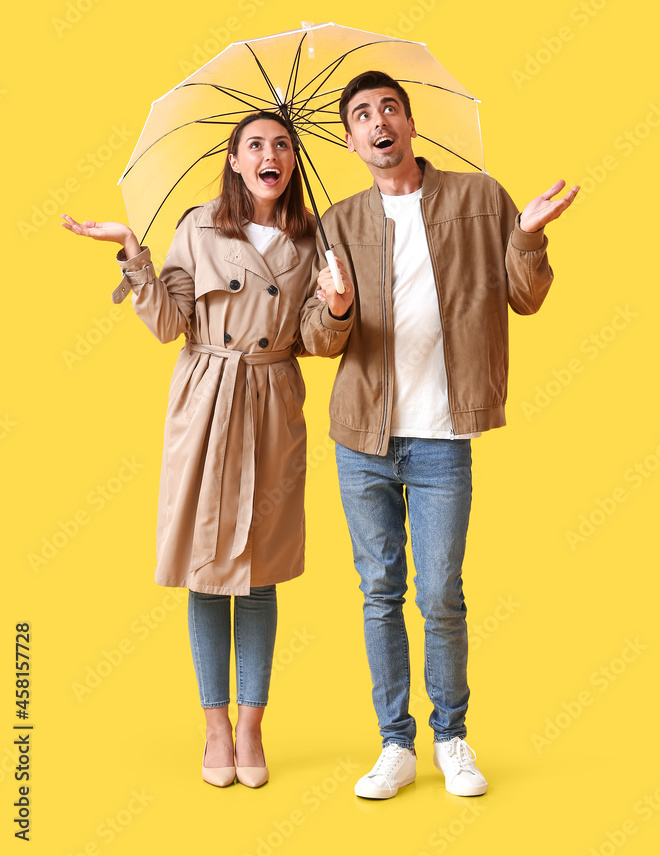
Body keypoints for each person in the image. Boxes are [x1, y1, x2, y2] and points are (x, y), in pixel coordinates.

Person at [300, 70, 579, 800]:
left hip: (440, 437)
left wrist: (525, 236)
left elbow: (526, 297)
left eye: (388, 107)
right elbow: (316, 340)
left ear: (410, 122)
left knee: (441, 594)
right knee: (378, 591)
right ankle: (395, 745)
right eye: (361, 114)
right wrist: (331, 308)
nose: (377, 121)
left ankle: (451, 736)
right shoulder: (337, 221)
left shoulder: (478, 198)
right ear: (351, 138)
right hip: (361, 437)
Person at [61, 110, 353, 790]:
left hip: (272, 402)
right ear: (233, 157)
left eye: (281, 145)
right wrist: (134, 251)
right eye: (255, 144)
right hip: (205, 402)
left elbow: (315, 340)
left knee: (259, 569)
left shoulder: (315, 239)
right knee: (205, 565)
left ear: (291, 161)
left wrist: (336, 307)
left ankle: (251, 727)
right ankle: (214, 724)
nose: (269, 155)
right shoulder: (197, 226)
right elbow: (168, 323)